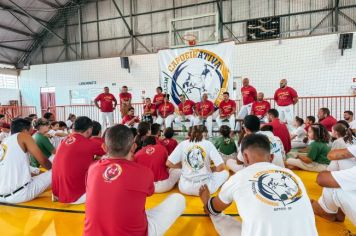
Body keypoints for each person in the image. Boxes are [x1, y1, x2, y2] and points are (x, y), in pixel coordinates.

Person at [199, 133, 318, 236]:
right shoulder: (293, 175)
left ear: (245, 157)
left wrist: (206, 201)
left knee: (218, 216)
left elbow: (214, 208)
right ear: (271, 157)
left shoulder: (238, 178)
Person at [83, 124, 185, 236]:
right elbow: (149, 192)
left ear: (104, 147)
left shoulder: (92, 169)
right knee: (178, 199)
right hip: (135, 232)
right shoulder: (143, 172)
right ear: (133, 147)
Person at [52, 116, 106, 204]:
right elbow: (115, 151)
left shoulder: (63, 141)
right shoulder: (90, 143)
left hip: (57, 194)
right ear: (89, 130)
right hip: (75, 197)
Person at [0, 118, 52, 204]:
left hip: (2, 196)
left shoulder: (4, 142)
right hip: (20, 195)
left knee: (38, 176)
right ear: (24, 130)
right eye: (30, 132)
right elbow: (44, 161)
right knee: (56, 171)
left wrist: (39, 172)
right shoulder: (23, 136)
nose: (31, 135)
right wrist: (55, 169)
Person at [167, 125, 229, 196]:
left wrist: (181, 166)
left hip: (185, 188)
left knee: (176, 170)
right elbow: (221, 167)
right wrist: (212, 169)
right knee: (225, 173)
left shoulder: (182, 144)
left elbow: (169, 163)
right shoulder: (208, 144)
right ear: (203, 133)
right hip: (205, 188)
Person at [311, 146, 356, 225]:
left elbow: (321, 179)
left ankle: (326, 211)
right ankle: (336, 211)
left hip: (320, 166)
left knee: (333, 187)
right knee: (341, 179)